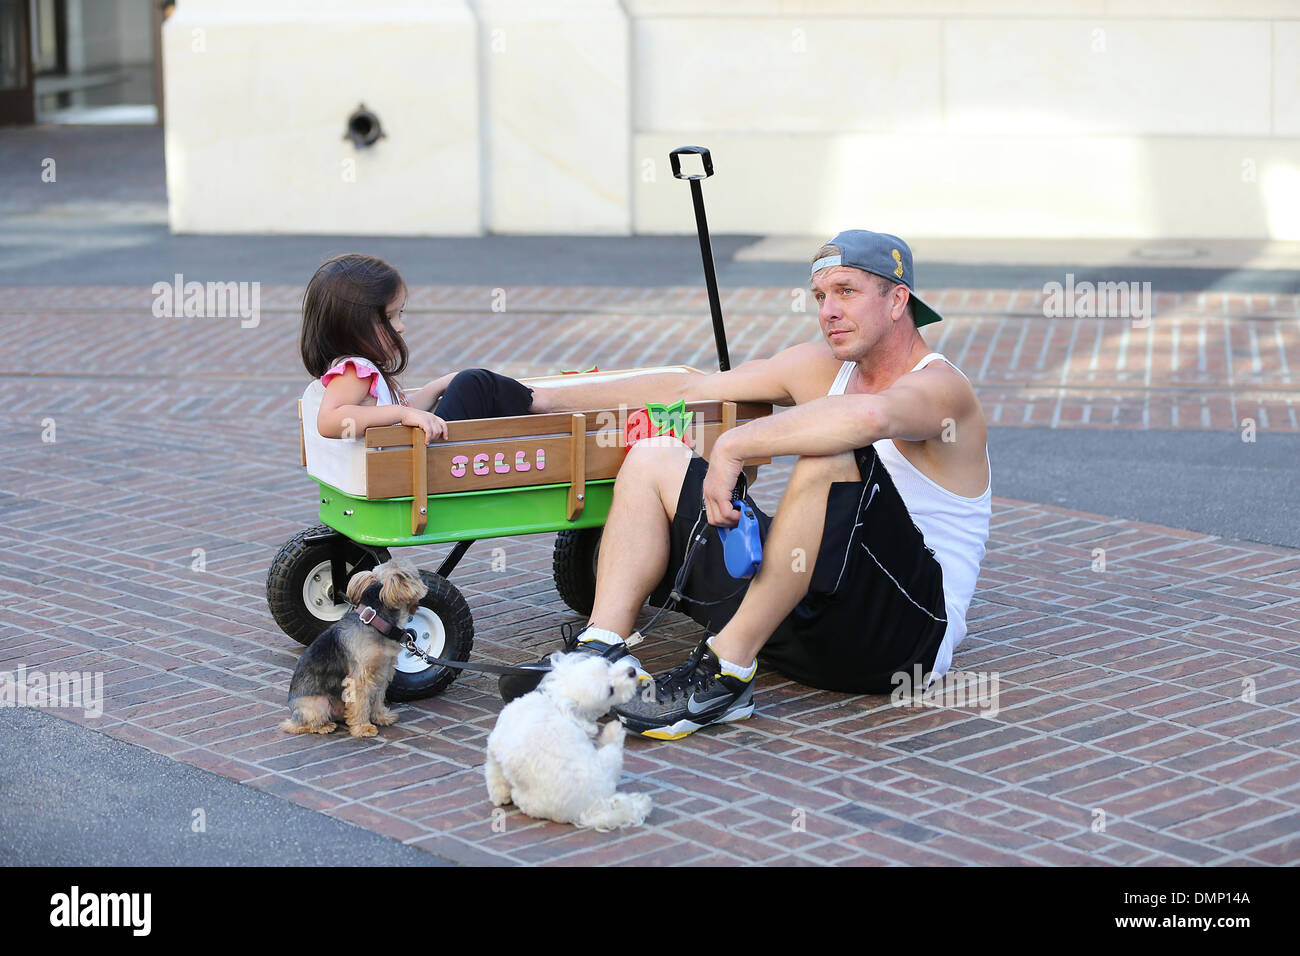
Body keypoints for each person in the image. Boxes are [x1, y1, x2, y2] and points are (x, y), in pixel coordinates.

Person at [520, 230, 992, 740]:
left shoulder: (943, 389)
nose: (828, 310)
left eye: (847, 292)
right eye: (820, 296)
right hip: (801, 623)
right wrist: (532, 396)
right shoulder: (819, 366)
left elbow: (872, 416)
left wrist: (732, 446)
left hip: (901, 639)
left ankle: (725, 674)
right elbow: (686, 388)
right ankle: (599, 653)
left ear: (898, 299)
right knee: (654, 453)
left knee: (830, 449)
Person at [299, 253, 551, 441]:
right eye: (388, 318)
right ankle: (541, 405)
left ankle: (536, 409)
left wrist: (435, 388)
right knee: (474, 384)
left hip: (411, 459)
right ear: (349, 325)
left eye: (400, 314)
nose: (400, 327)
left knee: (464, 385)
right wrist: (401, 414)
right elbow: (329, 421)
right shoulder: (355, 370)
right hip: (414, 467)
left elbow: (403, 413)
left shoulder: (361, 372)